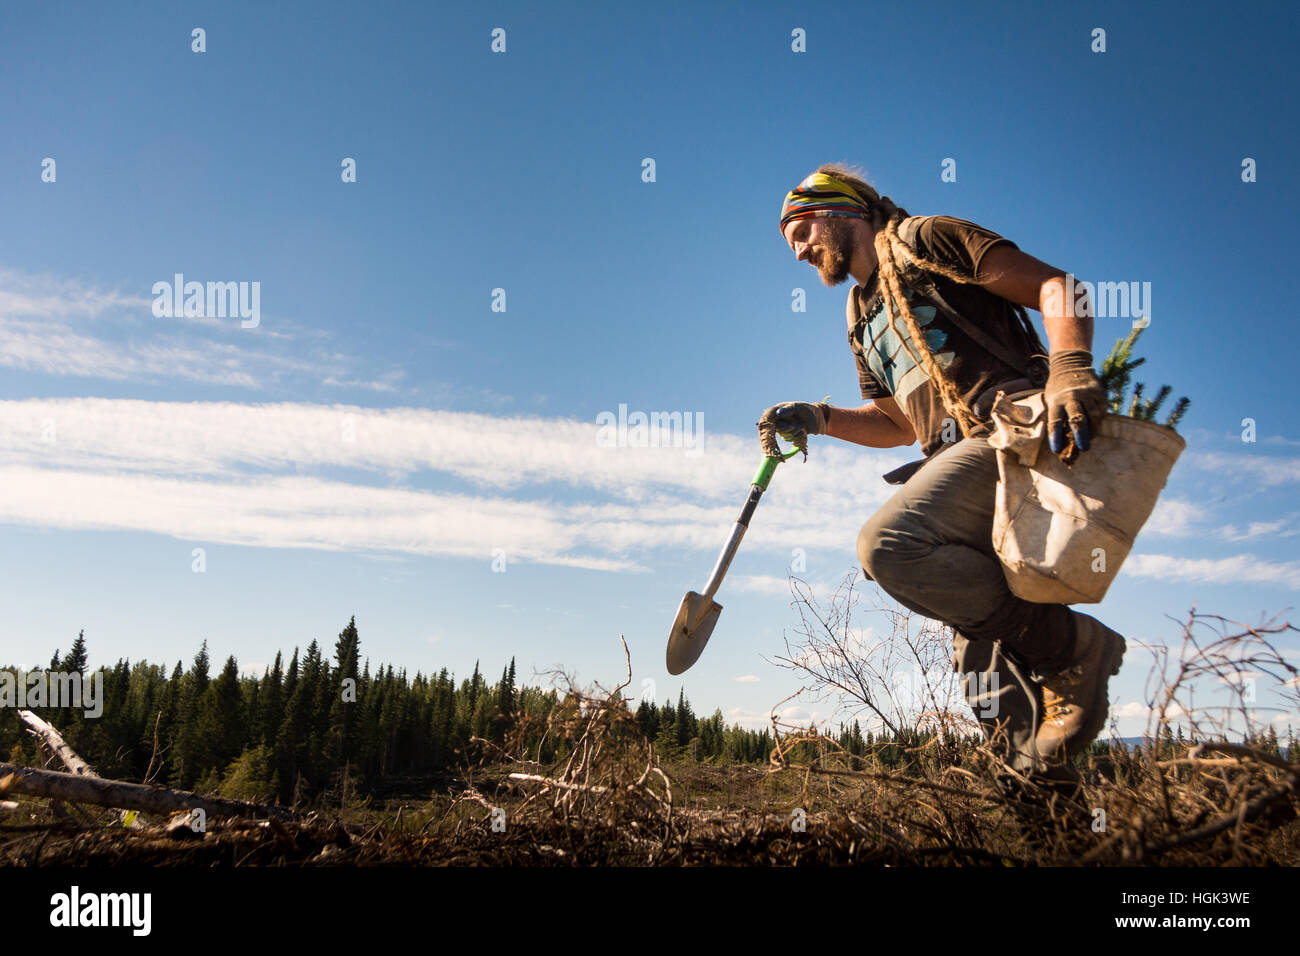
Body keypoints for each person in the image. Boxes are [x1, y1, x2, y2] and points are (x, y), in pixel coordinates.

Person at [761, 165, 1127, 799]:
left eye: (801, 228)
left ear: (845, 211)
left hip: (1010, 435)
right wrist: (817, 418)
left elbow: (1060, 289)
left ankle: (1074, 647)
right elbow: (897, 424)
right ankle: (1051, 818)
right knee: (985, 672)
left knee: (887, 546)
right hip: (952, 468)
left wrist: (1069, 367)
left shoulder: (925, 239)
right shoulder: (859, 313)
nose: (797, 250)